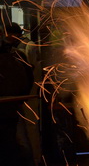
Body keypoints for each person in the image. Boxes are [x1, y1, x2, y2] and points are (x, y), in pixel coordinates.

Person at [0, 28, 34, 166]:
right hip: (13, 108)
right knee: (15, 142)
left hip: (8, 110)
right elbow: (28, 78)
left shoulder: (15, 56)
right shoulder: (16, 55)